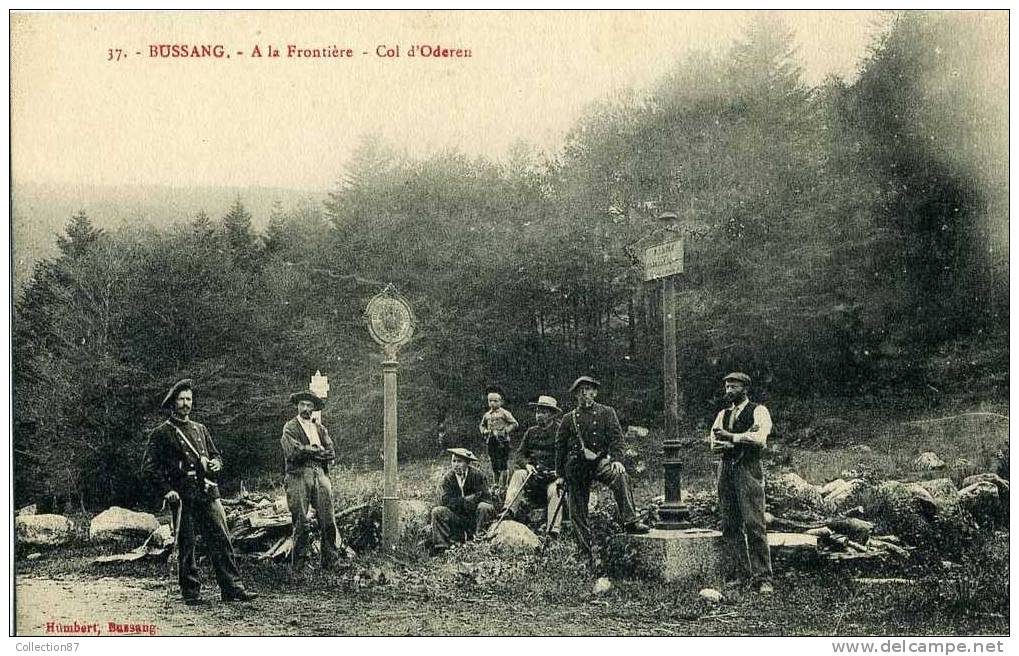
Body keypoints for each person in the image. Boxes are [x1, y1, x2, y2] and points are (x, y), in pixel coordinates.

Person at [142, 379, 257, 604]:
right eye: (181, 399)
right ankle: (191, 592)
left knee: (222, 539)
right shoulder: (162, 433)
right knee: (187, 544)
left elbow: (216, 455)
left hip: (208, 492)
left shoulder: (200, 429)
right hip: (184, 496)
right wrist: (167, 491)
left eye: (189, 399)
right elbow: (149, 468)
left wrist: (216, 463)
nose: (186, 404)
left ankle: (232, 588)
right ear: (173, 402)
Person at [555, 376, 650, 556]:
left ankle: (630, 521)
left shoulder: (607, 413)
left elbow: (617, 439)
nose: (585, 394)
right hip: (577, 467)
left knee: (620, 475)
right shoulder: (568, 419)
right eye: (580, 391)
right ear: (576, 395)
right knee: (577, 509)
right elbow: (559, 447)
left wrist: (617, 460)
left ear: (595, 392)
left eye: (588, 389)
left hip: (600, 462)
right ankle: (585, 551)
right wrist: (560, 474)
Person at [709, 371, 774, 594]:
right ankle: (740, 574)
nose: (729, 391)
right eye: (727, 387)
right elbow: (714, 442)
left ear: (745, 389)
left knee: (754, 522)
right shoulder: (722, 414)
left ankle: (763, 577)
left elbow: (758, 439)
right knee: (730, 523)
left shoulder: (758, 411)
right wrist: (730, 440)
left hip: (748, 468)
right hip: (726, 469)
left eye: (734, 387)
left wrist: (731, 437)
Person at [280, 390, 339, 570]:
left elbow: (331, 452)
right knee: (301, 520)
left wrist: (311, 450)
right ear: (297, 406)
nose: (305, 408)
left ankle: (331, 561)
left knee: (328, 519)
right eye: (302, 405)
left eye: (309, 405)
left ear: (314, 408)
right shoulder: (290, 428)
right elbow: (293, 452)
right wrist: (315, 450)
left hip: (320, 474)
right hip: (298, 475)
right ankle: (299, 566)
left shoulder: (320, 429)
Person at [504, 394, 565, 536]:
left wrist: (559, 472)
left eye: (543, 412)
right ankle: (508, 510)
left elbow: (569, 457)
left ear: (552, 415)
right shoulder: (531, 432)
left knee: (555, 490)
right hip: (533, 476)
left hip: (552, 477)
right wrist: (527, 465)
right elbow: (518, 454)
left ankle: (553, 529)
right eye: (538, 411)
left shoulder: (561, 432)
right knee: (519, 474)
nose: (539, 415)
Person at [430, 448, 495, 553]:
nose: (456, 465)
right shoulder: (448, 478)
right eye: (453, 461)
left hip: (476, 518)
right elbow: (446, 501)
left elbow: (486, 498)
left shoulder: (478, 476)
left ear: (467, 463)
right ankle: (442, 547)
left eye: (459, 461)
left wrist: (471, 502)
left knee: (484, 506)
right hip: (458, 518)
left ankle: (479, 540)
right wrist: (466, 500)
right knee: (437, 511)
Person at [478, 385, 518, 488]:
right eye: (490, 401)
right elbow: (481, 425)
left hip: (503, 442)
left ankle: (504, 485)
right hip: (491, 441)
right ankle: (496, 484)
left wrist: (505, 431)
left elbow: (514, 423)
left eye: (495, 401)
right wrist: (485, 431)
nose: (492, 403)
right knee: (494, 462)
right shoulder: (487, 415)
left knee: (503, 463)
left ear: (501, 402)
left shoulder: (505, 413)